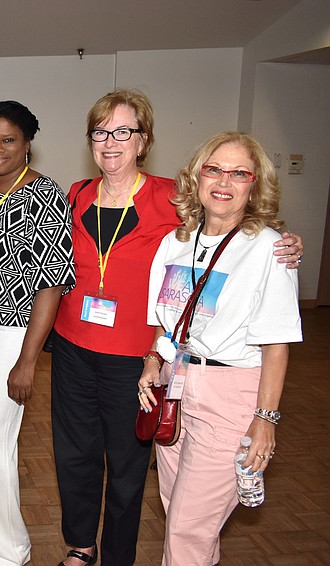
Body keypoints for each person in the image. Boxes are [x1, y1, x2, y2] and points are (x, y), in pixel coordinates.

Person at [49, 89, 304, 566]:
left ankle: (119, 557)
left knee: (141, 480)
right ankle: (81, 547)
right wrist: (156, 357)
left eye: (123, 132)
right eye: (101, 132)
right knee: (126, 480)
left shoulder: (172, 201)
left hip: (148, 362)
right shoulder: (79, 195)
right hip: (149, 363)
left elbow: (239, 233)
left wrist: (288, 244)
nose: (111, 142)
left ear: (143, 140)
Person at [138, 131, 302, 565]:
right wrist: (153, 362)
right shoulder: (175, 242)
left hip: (232, 393)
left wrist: (264, 421)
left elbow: (277, 345)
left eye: (239, 173)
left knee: (190, 528)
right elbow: (164, 321)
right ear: (197, 177)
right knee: (180, 516)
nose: (224, 181)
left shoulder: (270, 249)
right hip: (175, 388)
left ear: (255, 184)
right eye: (214, 169)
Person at [0, 101, 74, 566]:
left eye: (9, 140)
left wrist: (28, 359)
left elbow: (52, 283)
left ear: (27, 144)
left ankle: (12, 549)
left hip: (12, 333)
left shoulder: (44, 195)